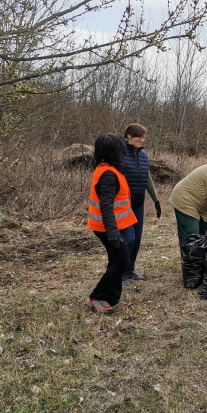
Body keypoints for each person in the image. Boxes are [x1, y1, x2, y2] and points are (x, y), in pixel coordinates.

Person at [86, 134, 138, 314]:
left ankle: (112, 299)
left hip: (118, 225)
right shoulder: (108, 174)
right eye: (120, 149)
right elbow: (106, 206)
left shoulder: (109, 169)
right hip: (108, 227)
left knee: (116, 261)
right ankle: (96, 297)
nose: (123, 152)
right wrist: (112, 232)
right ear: (112, 152)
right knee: (122, 262)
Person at [120, 123, 161, 287]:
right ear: (129, 136)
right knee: (128, 239)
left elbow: (148, 178)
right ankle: (120, 273)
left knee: (137, 239)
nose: (142, 140)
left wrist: (156, 200)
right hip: (124, 205)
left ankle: (130, 271)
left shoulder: (143, 155)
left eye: (144, 137)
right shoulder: (120, 154)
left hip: (138, 203)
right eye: (139, 136)